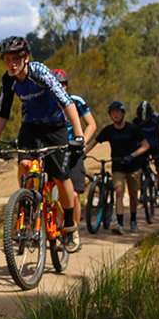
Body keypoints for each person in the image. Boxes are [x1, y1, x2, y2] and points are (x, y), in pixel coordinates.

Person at [0, 37, 86, 253]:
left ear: (26, 58)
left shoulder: (40, 72)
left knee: (60, 176)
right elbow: (3, 111)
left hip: (55, 126)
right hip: (31, 125)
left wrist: (78, 135)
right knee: (23, 163)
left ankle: (70, 226)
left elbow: (65, 101)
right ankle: (27, 203)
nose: (11, 64)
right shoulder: (8, 80)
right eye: (7, 60)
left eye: (15, 59)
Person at [82, 101, 149, 234]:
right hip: (118, 166)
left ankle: (133, 220)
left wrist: (132, 155)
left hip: (133, 166)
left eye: (118, 111)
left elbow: (145, 145)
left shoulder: (132, 129)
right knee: (119, 192)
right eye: (113, 112)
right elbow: (94, 142)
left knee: (133, 195)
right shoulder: (108, 131)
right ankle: (119, 223)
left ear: (123, 113)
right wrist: (83, 153)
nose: (116, 114)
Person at [52, 69, 97, 227]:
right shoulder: (46, 104)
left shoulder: (76, 101)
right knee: (53, 195)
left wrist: (81, 142)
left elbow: (91, 124)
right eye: (58, 84)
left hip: (74, 153)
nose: (61, 87)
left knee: (74, 195)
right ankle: (58, 226)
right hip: (54, 151)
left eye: (63, 84)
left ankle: (73, 230)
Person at [133, 100, 159, 192]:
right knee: (141, 169)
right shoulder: (137, 121)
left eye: (147, 118)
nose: (145, 120)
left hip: (155, 145)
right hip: (143, 147)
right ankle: (143, 192)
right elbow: (131, 134)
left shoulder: (157, 118)